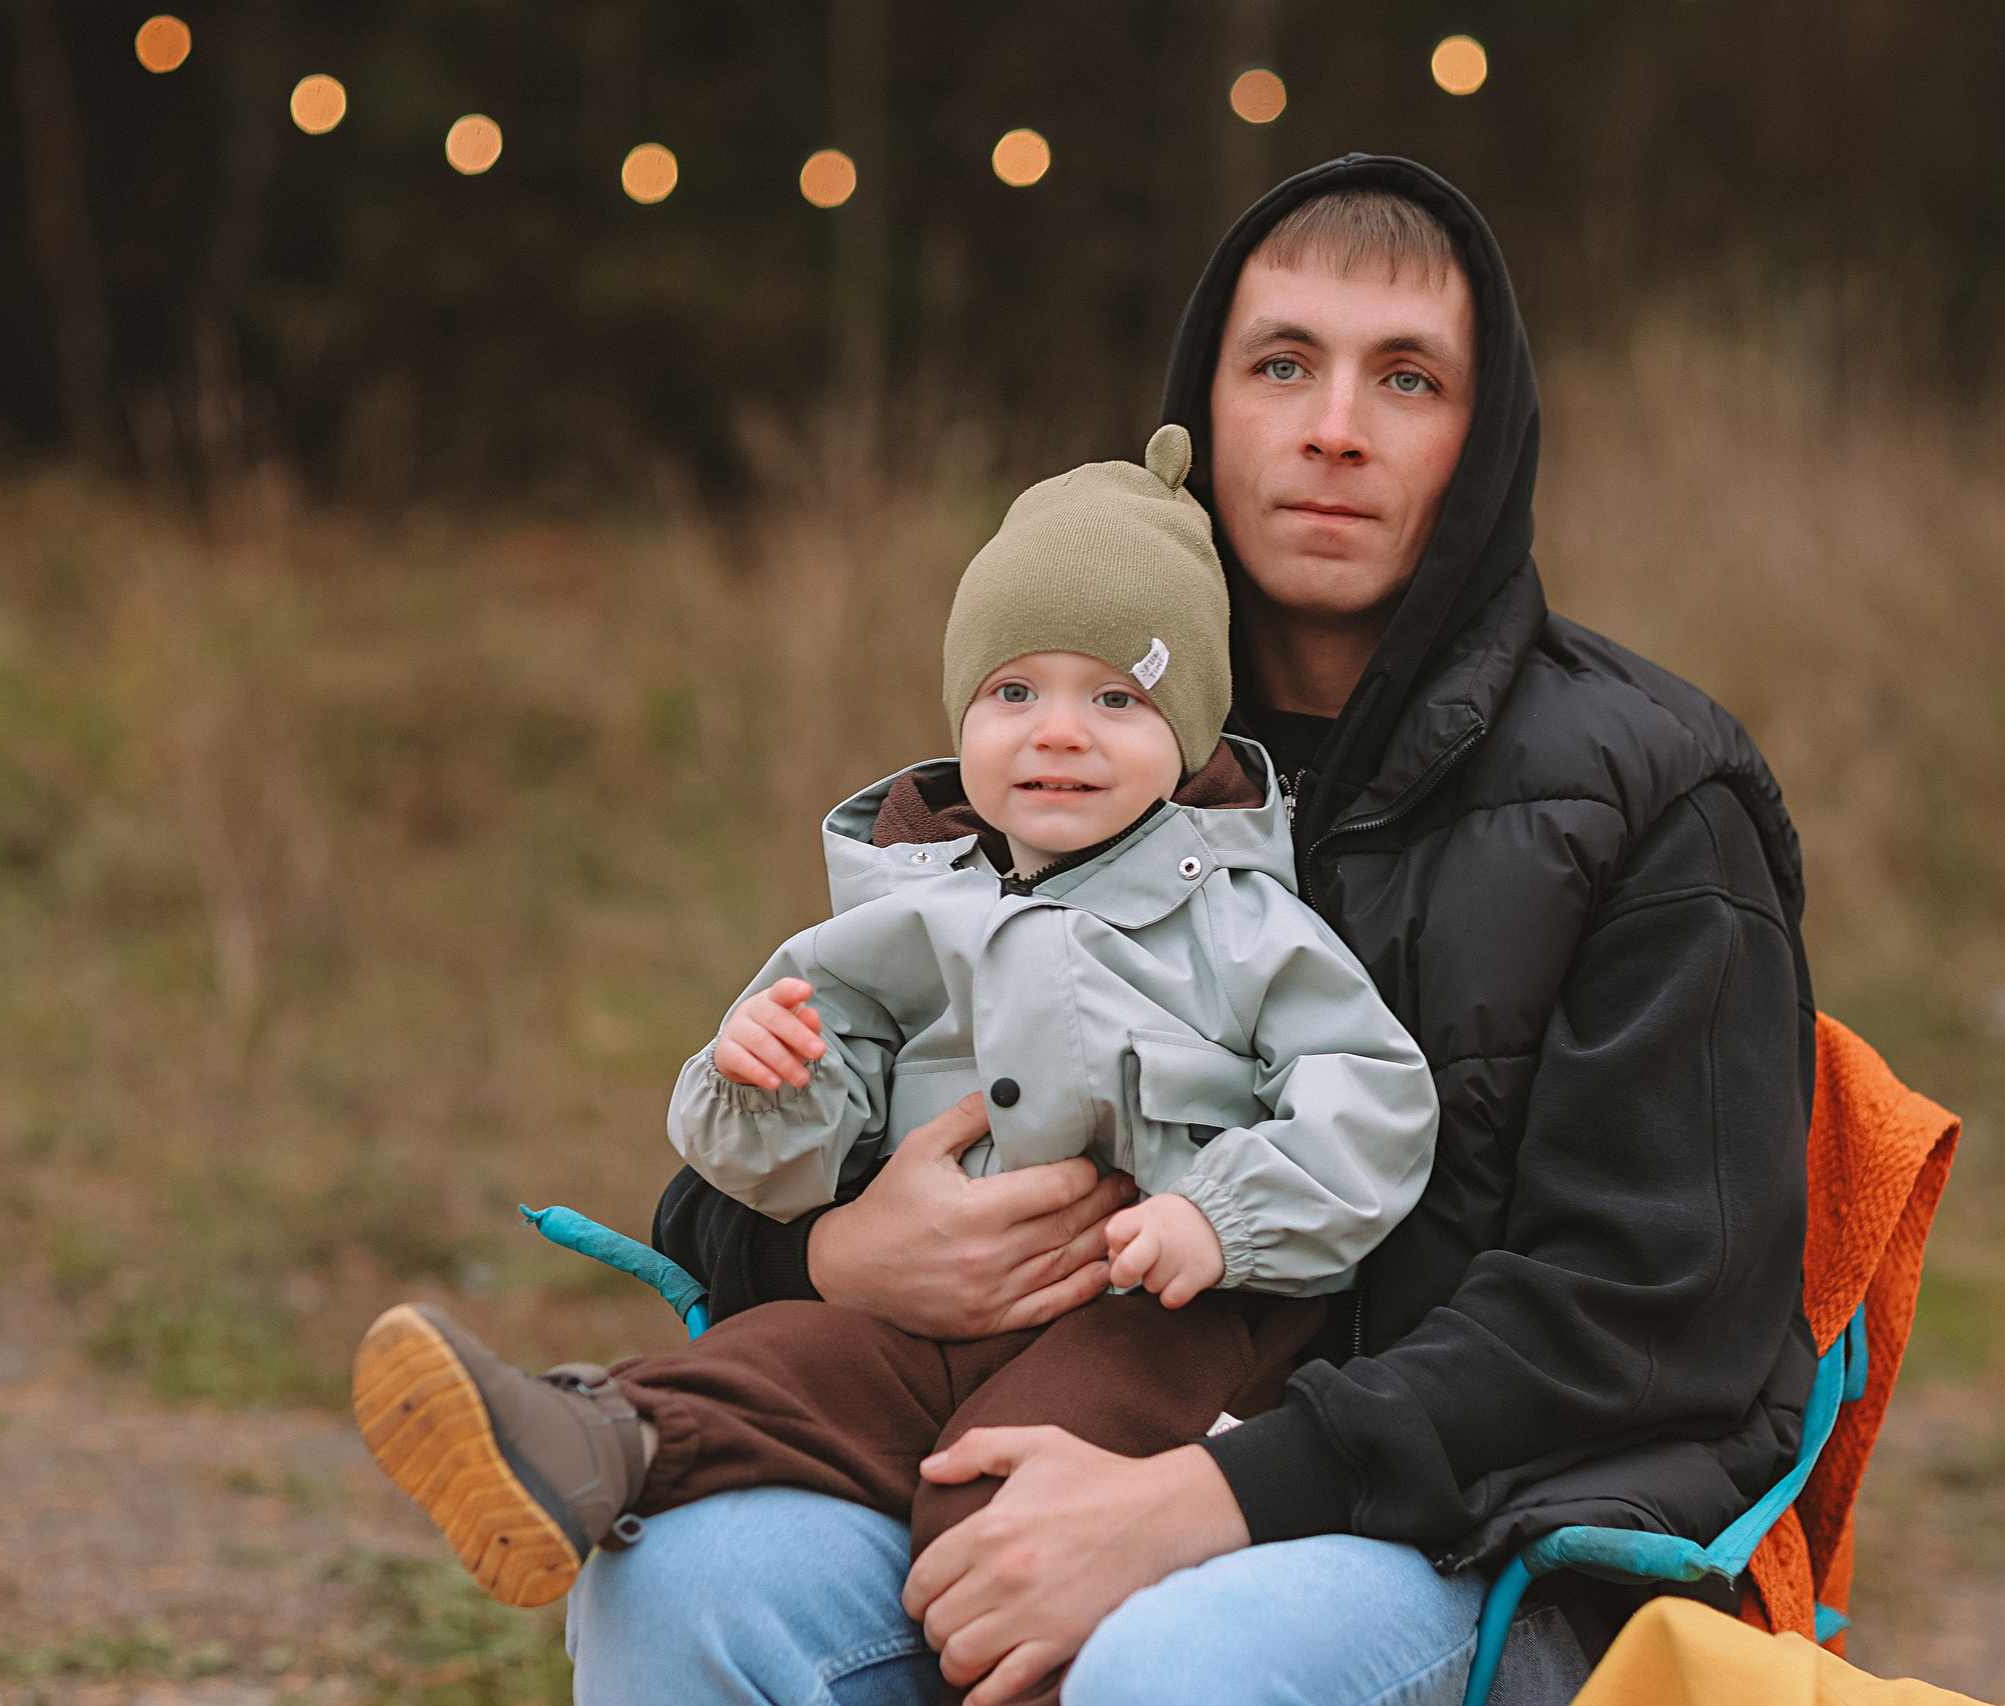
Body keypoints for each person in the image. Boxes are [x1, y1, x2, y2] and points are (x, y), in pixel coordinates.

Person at [573, 155, 1819, 1706]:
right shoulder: (1050, 753)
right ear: (1201, 408)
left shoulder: (1648, 797)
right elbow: (791, 1106)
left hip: (1477, 1536)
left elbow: (1652, 1308)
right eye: (1282, 363)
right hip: (1017, 1422)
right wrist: (830, 1245)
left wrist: (1215, 1499)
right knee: (684, 1584)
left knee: (1177, 1665)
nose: (1335, 427)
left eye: (1408, 378)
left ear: (1484, 442)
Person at [351, 425, 1439, 1615]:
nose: (1057, 729)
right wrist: (760, 1081)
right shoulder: (897, 918)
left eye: (1115, 696)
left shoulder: (1238, 925)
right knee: (778, 1363)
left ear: (1185, 742)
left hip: (1163, 1316)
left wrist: (1219, 1215)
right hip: (929, 1301)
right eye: (1012, 690)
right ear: (961, 716)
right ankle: (581, 1442)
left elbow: (1370, 1095)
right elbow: (794, 1161)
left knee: (999, 1492)